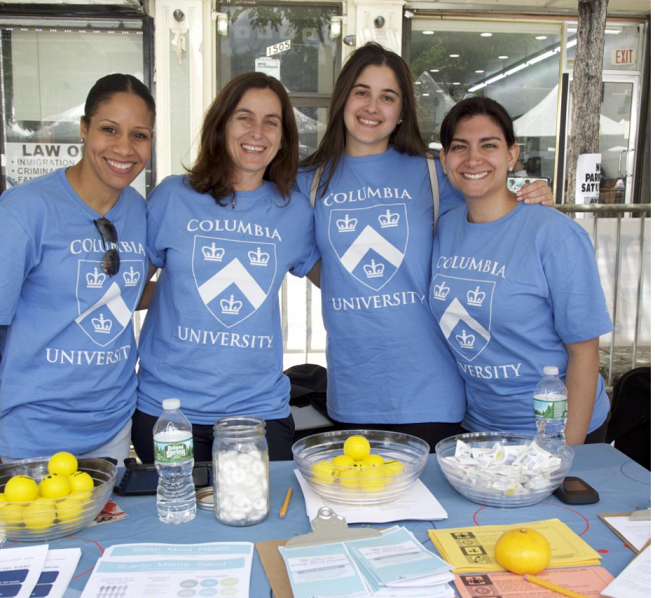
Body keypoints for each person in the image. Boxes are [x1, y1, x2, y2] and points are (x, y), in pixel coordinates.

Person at [295, 42, 554, 448]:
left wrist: (534, 194)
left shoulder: (434, 175)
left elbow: (492, 212)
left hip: (433, 391)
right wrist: (348, 284)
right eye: (362, 91)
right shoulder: (307, 180)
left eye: (388, 97)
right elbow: (309, 259)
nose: (372, 106)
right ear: (344, 97)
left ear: (402, 112)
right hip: (354, 389)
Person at [133, 72, 316, 463]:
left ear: (284, 137)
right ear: (221, 124)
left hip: (258, 414)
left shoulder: (294, 211)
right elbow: (127, 291)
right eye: (244, 117)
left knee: (263, 521)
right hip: (169, 413)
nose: (257, 132)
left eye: (272, 122)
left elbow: (346, 288)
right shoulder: (172, 196)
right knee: (175, 520)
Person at [429, 97, 611, 444]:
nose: (473, 159)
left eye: (489, 145)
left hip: (551, 431)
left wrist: (563, 453)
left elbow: (584, 354)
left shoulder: (556, 235)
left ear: (512, 155)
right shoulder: (445, 226)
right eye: (459, 147)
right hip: (478, 430)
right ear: (444, 159)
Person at [0, 74, 155, 462]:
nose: (124, 147)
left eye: (139, 135)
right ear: (84, 129)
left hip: (112, 425)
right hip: (32, 429)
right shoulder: (25, 209)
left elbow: (115, 294)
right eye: (109, 129)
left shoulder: (140, 211)